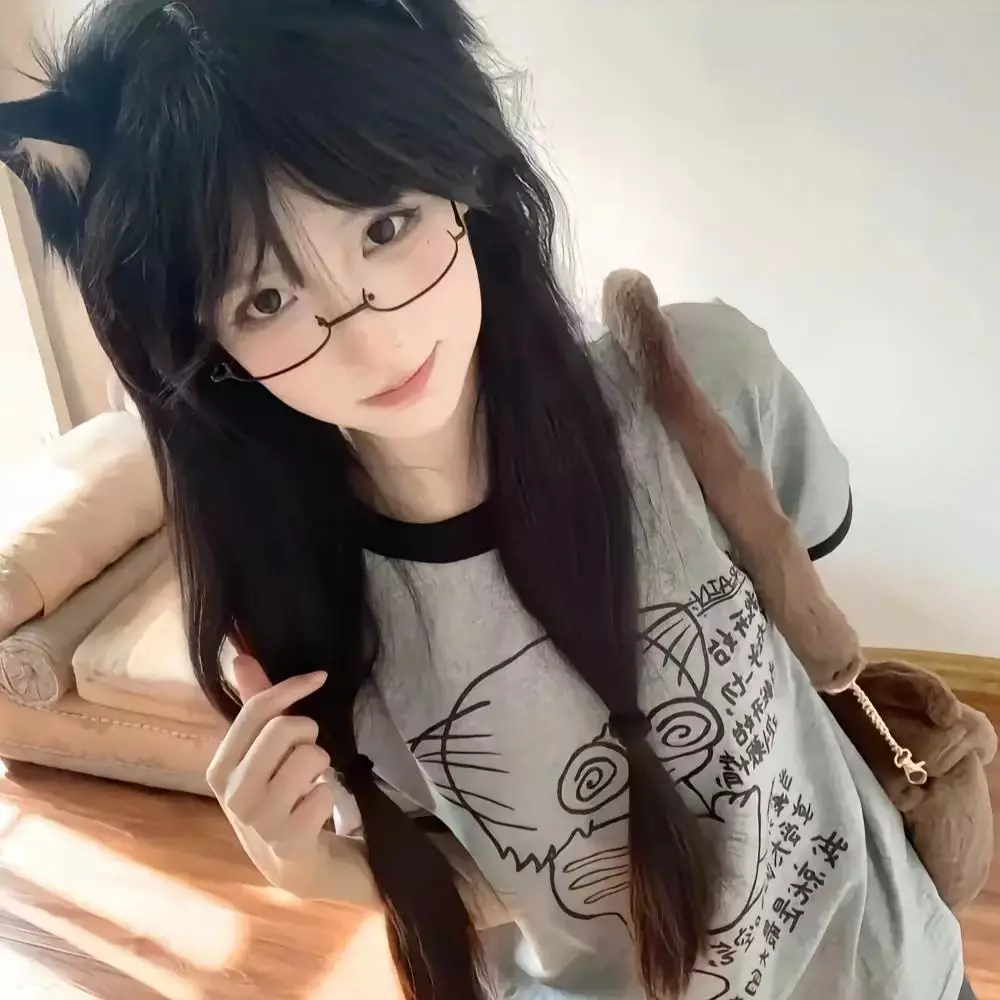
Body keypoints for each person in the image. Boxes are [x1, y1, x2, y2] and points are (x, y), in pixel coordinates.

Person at [0, 1, 971, 998]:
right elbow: (505, 880)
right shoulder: (300, 617)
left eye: (385, 226)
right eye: (268, 298)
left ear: (461, 178)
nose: (371, 338)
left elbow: (809, 641)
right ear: (210, 349)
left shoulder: (705, 382)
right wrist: (308, 866)